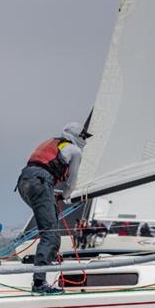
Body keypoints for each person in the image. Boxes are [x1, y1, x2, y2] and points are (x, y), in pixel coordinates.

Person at [17, 122, 92, 294]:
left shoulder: (52, 142)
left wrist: (51, 196)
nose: (85, 140)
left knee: (50, 225)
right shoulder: (75, 151)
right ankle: (39, 284)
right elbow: (71, 183)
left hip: (24, 183)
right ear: (77, 136)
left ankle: (46, 261)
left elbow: (39, 167)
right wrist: (64, 196)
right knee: (50, 235)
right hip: (40, 183)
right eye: (84, 136)